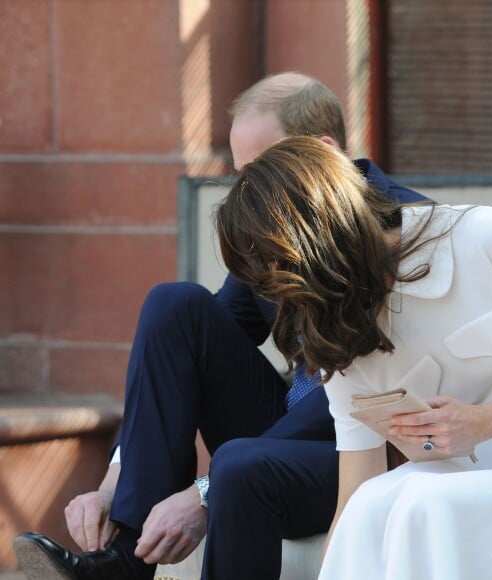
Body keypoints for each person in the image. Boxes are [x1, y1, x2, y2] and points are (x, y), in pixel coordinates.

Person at [13, 72, 428, 580]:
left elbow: (363, 391)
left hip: (368, 448)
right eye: (239, 175)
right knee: (175, 305)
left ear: (321, 149)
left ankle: (215, 486)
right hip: (280, 432)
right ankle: (124, 559)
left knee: (238, 465)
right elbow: (181, 353)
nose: (246, 192)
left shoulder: (402, 231)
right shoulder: (271, 225)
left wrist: (204, 492)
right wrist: (114, 482)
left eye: (258, 170)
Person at [215, 136, 492, 580]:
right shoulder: (338, 331)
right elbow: (355, 491)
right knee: (378, 503)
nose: (277, 293)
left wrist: (487, 421)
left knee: (422, 505)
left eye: (278, 270)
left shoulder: (480, 236)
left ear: (316, 240)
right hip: (458, 496)